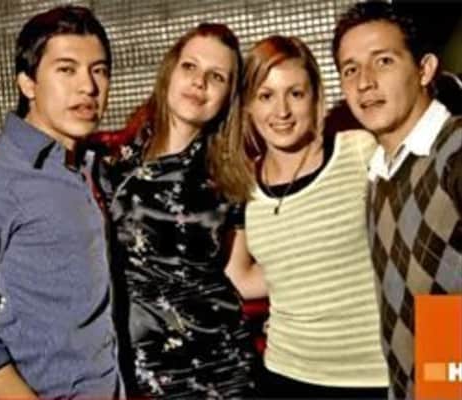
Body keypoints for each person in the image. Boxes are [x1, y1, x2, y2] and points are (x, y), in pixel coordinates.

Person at [0, 6, 123, 398]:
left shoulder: (90, 168)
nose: (88, 86)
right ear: (28, 83)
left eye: (99, 70)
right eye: (66, 69)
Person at [224, 35, 389, 398]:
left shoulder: (359, 150)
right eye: (266, 96)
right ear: (248, 105)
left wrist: (443, 373)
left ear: (316, 97)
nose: (281, 111)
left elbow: (422, 254)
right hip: (286, 373)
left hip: (373, 375)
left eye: (295, 94)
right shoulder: (245, 185)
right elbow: (243, 278)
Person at [100, 23, 256, 399]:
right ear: (170, 71)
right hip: (139, 365)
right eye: (190, 66)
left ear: (228, 96)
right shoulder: (109, 160)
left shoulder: (231, 176)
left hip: (223, 362)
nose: (199, 82)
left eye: (216, 76)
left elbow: (239, 275)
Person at [332, 2, 462, 399]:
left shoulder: (454, 151)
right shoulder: (380, 172)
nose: (364, 82)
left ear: (424, 70)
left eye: (383, 61)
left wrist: (445, 384)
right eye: (350, 69)